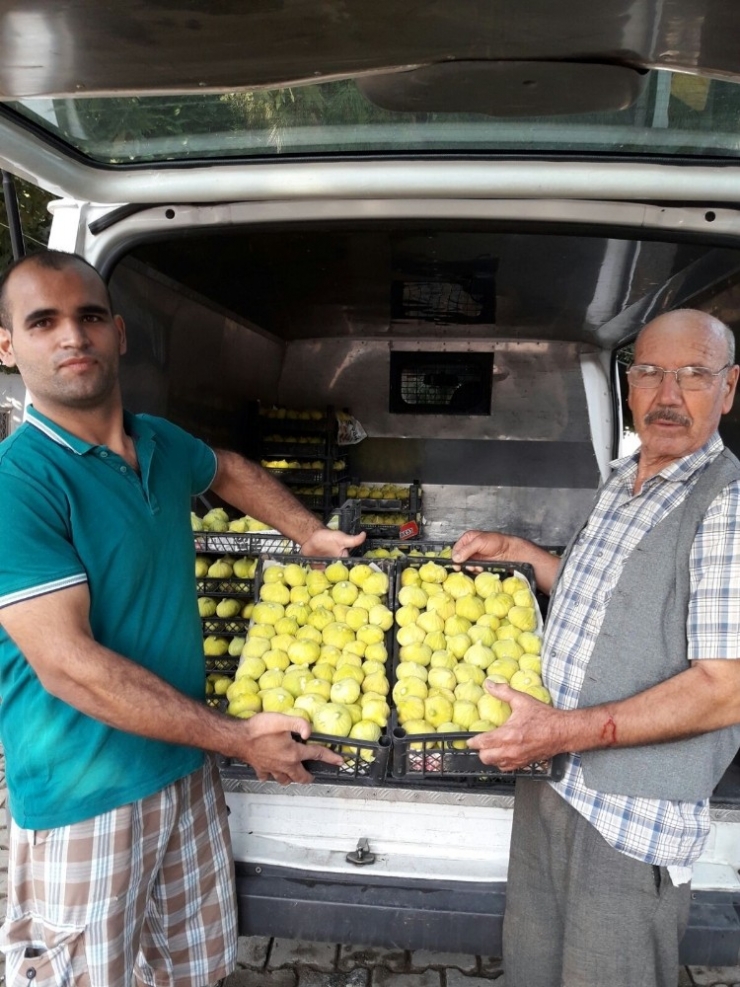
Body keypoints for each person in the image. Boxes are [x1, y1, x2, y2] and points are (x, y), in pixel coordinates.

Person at [0, 249, 365, 987]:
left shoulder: (159, 442)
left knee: (191, 971)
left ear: (119, 333)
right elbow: (70, 666)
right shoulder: (18, 484)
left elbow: (226, 467)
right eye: (44, 322)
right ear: (8, 346)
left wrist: (306, 531)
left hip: (183, 764)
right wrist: (235, 738)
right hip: (86, 794)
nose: (73, 337)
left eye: (89, 316)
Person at [452, 308, 740, 987]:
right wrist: (521, 555)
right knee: (533, 967)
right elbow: (603, 596)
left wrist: (562, 730)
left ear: (729, 389)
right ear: (629, 384)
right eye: (650, 372)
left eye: (694, 375)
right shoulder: (625, 477)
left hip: (628, 819)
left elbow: (726, 685)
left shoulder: (726, 505)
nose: (668, 395)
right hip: (553, 782)